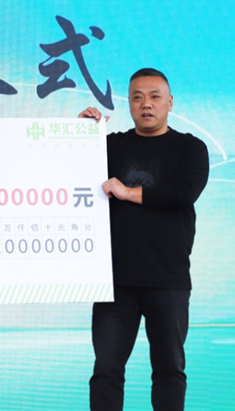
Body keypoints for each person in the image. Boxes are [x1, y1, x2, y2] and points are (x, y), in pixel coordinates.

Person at [78, 68, 209, 411]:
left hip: (168, 279)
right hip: (113, 281)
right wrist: (79, 135)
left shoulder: (190, 149)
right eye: (137, 97)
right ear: (129, 104)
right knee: (105, 371)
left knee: (169, 370)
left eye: (154, 97)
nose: (146, 104)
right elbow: (66, 173)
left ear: (170, 103)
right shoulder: (110, 146)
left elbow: (182, 194)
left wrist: (126, 192)